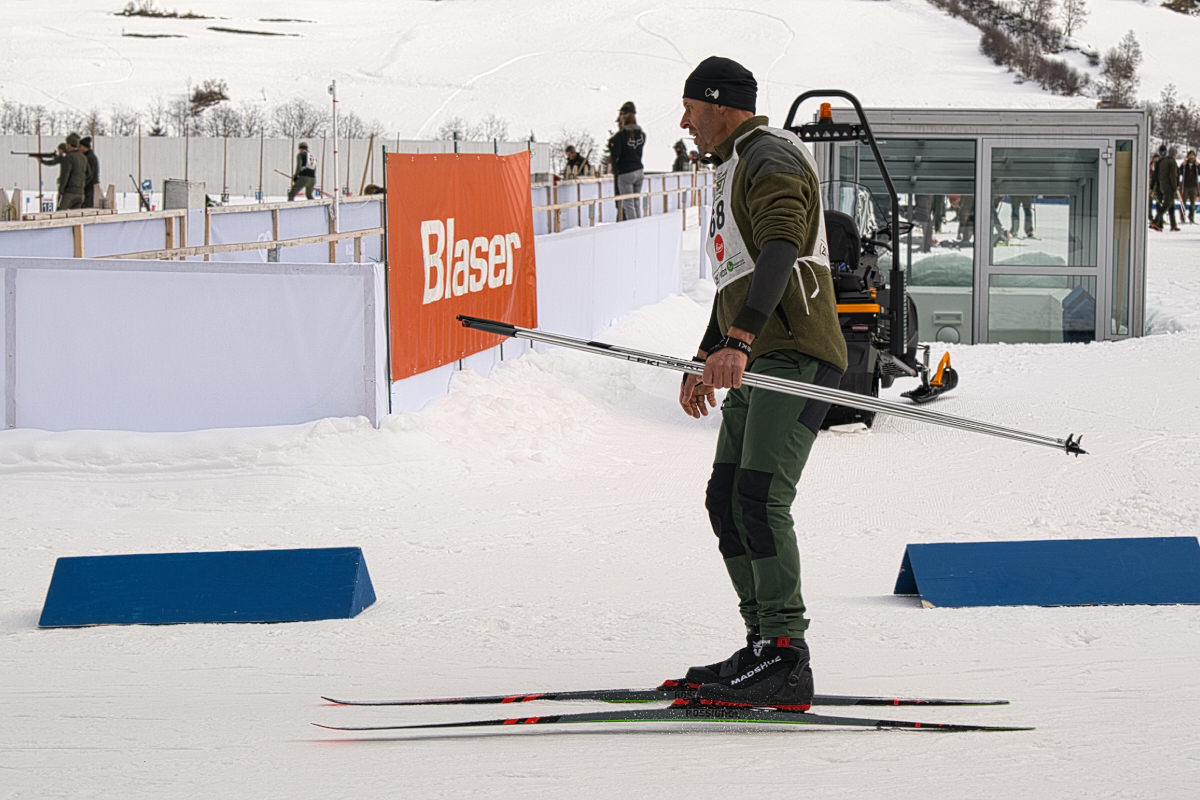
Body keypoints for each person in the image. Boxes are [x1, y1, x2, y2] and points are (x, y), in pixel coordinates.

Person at [673, 56, 847, 711]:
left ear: (721, 105)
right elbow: (738, 276)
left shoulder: (769, 155)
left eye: (691, 108)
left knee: (761, 497)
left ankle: (785, 653)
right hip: (760, 355)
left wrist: (739, 339)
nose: (685, 122)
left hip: (794, 352)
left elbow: (781, 246)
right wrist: (707, 353)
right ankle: (761, 643)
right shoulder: (734, 164)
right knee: (726, 499)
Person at [607, 101, 645, 220]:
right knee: (636, 202)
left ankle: (632, 226)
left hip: (625, 172)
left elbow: (615, 155)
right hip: (639, 170)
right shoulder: (642, 134)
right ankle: (639, 224)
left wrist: (615, 169)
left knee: (628, 204)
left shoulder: (620, 136)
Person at [1152, 145, 1180, 232]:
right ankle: (1156, 221)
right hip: (1169, 187)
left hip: (1162, 186)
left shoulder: (1162, 161)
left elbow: (1157, 174)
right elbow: (1173, 176)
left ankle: (1173, 224)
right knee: (1166, 205)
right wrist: (1175, 187)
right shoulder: (1172, 162)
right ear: (1174, 154)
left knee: (1171, 205)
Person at [80, 136, 100, 209]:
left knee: (87, 207)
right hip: (90, 186)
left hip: (90, 186)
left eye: (80, 146)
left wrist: (83, 184)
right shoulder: (88, 156)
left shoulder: (89, 158)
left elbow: (90, 174)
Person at [1181, 150, 1199, 225]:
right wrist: (1182, 165)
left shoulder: (1196, 164)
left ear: (1194, 156)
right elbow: (1180, 172)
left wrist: (1199, 166)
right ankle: (1182, 218)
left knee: (1193, 203)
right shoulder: (1185, 164)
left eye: (1192, 155)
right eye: (1190, 155)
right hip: (1185, 186)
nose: (1191, 157)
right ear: (1188, 156)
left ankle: (1191, 217)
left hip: (1193, 186)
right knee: (1183, 202)